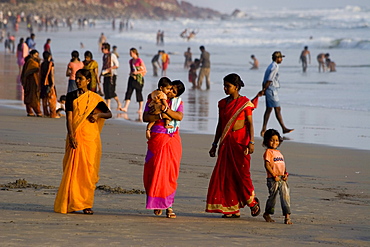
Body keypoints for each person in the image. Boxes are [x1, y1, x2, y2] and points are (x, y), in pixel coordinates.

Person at [54, 69, 112, 215]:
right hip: (75, 137)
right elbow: (68, 118)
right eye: (77, 78)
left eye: (81, 78)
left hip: (91, 139)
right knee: (73, 171)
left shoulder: (95, 98)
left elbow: (109, 113)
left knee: (89, 171)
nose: (78, 81)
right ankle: (71, 203)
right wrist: (71, 135)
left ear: (88, 80)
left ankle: (86, 204)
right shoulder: (71, 96)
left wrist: (98, 114)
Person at [206, 73, 261, 218]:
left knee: (242, 175)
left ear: (236, 87)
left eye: (228, 86)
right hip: (226, 142)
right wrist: (214, 144)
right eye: (224, 86)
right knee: (227, 175)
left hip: (240, 143)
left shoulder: (244, 103)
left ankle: (252, 201)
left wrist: (252, 142)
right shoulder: (222, 104)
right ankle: (232, 208)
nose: (225, 88)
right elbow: (220, 125)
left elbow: (250, 124)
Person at [143, 79, 185, 219]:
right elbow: (145, 117)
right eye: (170, 89)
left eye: (174, 91)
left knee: (170, 173)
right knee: (153, 170)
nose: (170, 92)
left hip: (172, 139)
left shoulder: (178, 103)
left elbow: (179, 116)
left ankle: (168, 205)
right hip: (157, 138)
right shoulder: (154, 98)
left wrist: (166, 110)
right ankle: (156, 202)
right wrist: (160, 115)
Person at [262, 129, 292, 224]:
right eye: (272, 140)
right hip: (273, 179)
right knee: (273, 197)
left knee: (285, 196)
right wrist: (274, 175)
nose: (274, 142)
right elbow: (267, 165)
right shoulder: (268, 152)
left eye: (276, 140)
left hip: (282, 178)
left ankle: (287, 216)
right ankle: (267, 213)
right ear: (267, 141)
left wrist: (285, 174)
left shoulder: (279, 153)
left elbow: (283, 165)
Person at [260, 51, 293, 137]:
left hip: (269, 89)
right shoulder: (275, 67)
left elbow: (265, 79)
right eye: (281, 58)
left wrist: (263, 89)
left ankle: (264, 129)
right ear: (277, 58)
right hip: (271, 89)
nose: (281, 59)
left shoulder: (271, 66)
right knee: (277, 109)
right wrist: (264, 89)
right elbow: (269, 79)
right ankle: (283, 128)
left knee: (269, 109)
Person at [121, 47, 146, 113]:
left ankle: (140, 109)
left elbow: (144, 70)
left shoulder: (139, 60)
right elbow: (131, 69)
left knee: (138, 93)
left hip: (138, 79)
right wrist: (131, 73)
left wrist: (137, 72)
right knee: (129, 92)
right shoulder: (131, 61)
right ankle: (125, 107)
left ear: (135, 53)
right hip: (132, 78)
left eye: (131, 53)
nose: (130, 54)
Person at [20, 50, 42, 117]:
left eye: (37, 55)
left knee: (30, 96)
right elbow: (31, 70)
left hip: (31, 82)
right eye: (35, 55)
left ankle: (30, 111)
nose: (37, 57)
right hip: (31, 82)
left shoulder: (31, 61)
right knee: (33, 96)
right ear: (32, 55)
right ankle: (37, 111)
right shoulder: (31, 62)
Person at [100, 42, 122, 110]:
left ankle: (117, 103)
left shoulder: (112, 55)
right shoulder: (104, 56)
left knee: (111, 91)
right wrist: (100, 74)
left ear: (106, 49)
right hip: (105, 74)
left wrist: (109, 69)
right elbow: (103, 65)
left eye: (102, 48)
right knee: (106, 90)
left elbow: (117, 65)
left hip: (112, 75)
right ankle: (108, 105)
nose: (101, 49)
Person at [40, 51, 58, 118]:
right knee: (51, 98)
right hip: (49, 82)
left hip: (43, 83)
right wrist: (53, 83)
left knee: (44, 99)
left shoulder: (42, 64)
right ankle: (52, 113)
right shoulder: (51, 64)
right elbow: (52, 74)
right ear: (49, 57)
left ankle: (45, 112)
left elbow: (40, 75)